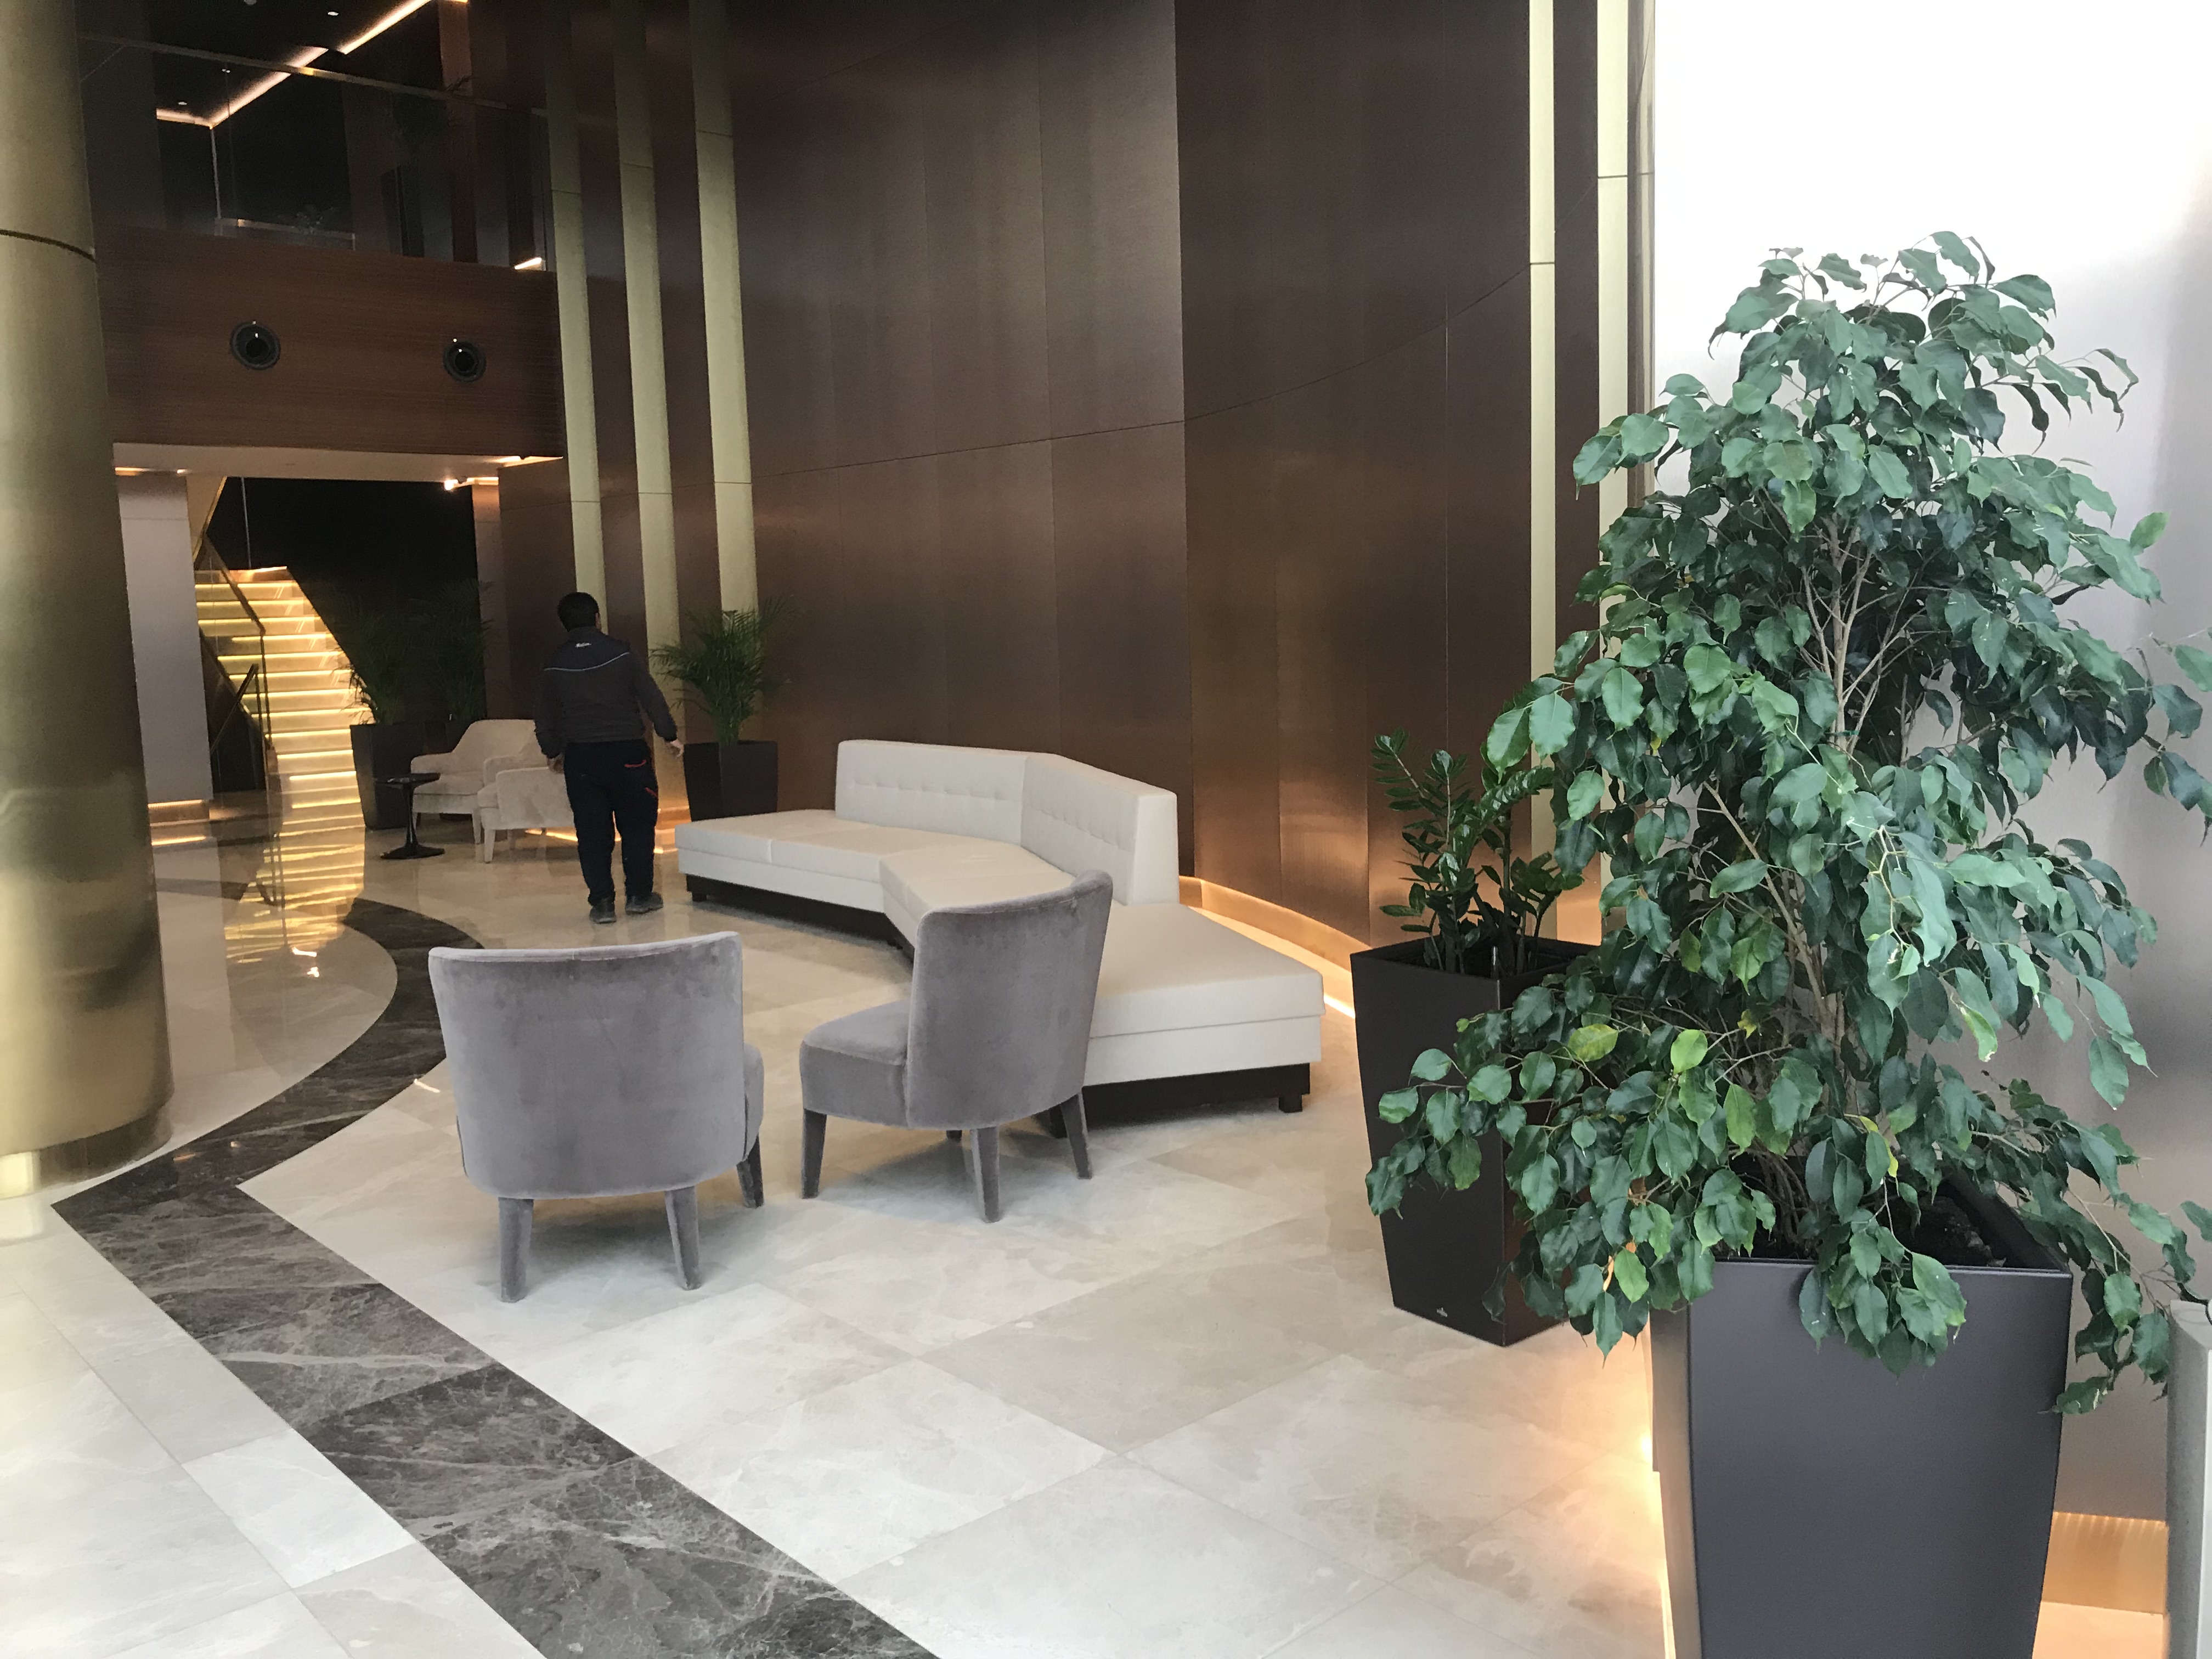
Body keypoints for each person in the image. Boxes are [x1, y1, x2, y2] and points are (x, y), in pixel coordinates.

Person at [533, 592, 682, 923]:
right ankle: (639, 896)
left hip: (582, 757)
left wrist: (552, 751)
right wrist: (669, 735)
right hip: (628, 752)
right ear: (597, 618)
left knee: (591, 832)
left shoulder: (554, 663)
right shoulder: (622, 653)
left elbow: (545, 716)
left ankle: (602, 903)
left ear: (564, 624)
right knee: (638, 826)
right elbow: (651, 696)